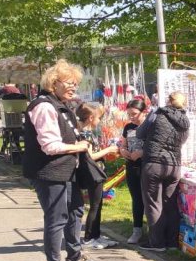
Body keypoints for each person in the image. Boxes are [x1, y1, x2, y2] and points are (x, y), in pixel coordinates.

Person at [23, 59, 100, 261]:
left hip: (67, 170)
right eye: (69, 83)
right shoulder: (44, 106)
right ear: (54, 82)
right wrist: (78, 146)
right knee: (56, 218)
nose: (73, 88)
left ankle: (74, 256)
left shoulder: (60, 104)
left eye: (75, 84)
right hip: (49, 171)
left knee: (75, 211)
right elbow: (50, 146)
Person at [136, 91, 189, 251]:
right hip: (174, 165)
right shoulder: (185, 121)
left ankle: (157, 243)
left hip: (154, 162)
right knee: (170, 203)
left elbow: (139, 133)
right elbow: (183, 141)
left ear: (168, 101)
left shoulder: (156, 114)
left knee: (154, 203)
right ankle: (172, 242)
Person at [75, 102, 119, 250]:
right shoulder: (85, 134)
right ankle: (89, 237)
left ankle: (96, 235)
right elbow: (91, 156)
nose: (100, 121)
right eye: (99, 117)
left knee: (98, 204)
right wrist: (109, 150)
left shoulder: (86, 132)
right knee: (95, 205)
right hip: (92, 173)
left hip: (95, 172)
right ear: (91, 118)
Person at [118, 98, 148, 244]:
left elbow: (156, 146)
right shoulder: (128, 127)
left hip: (147, 167)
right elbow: (123, 144)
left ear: (144, 112)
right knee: (136, 198)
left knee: (149, 199)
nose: (131, 117)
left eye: (134, 114)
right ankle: (137, 230)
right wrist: (123, 150)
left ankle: (153, 229)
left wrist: (142, 153)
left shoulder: (150, 126)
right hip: (132, 166)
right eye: (129, 114)